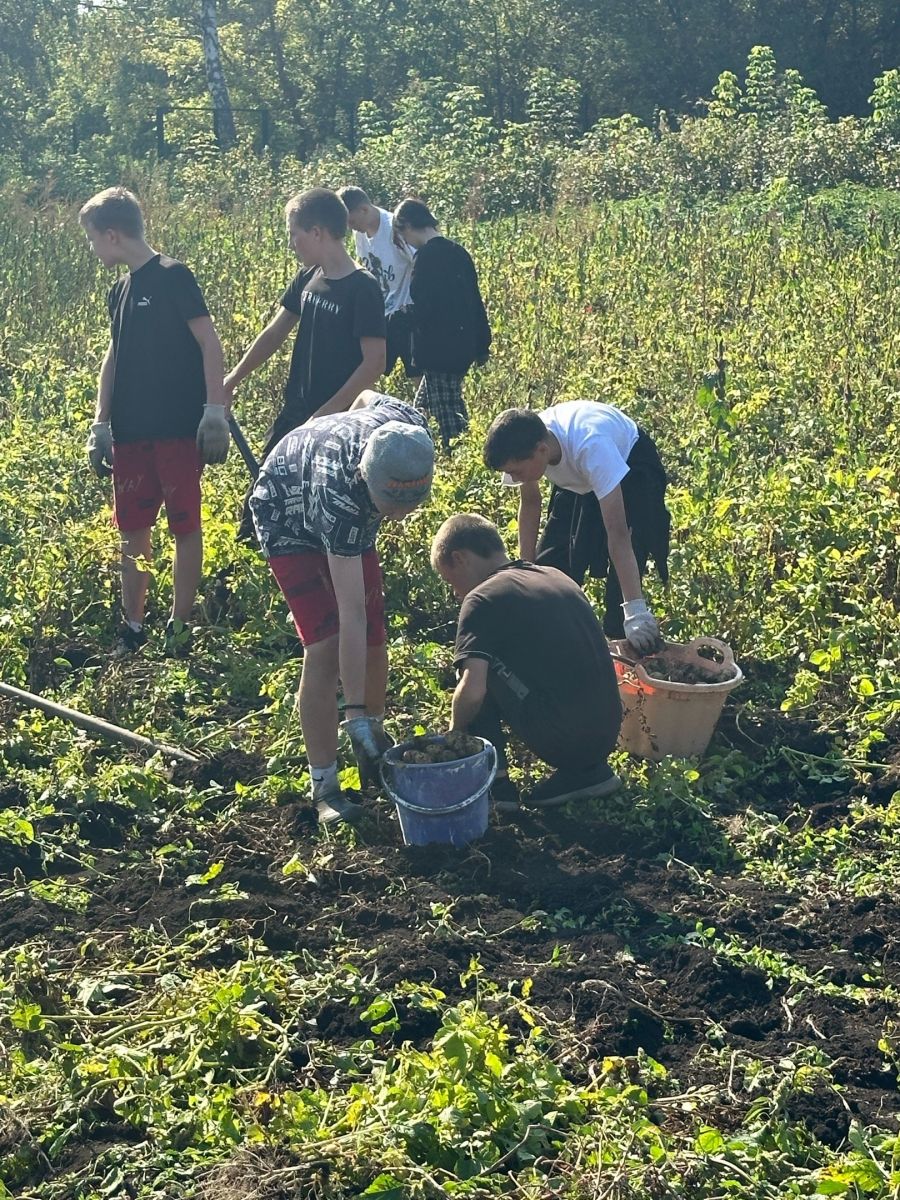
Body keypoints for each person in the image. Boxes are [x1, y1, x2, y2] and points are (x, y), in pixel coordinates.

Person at [249, 390, 434, 825]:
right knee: (326, 642)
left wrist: (333, 426)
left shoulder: (408, 430)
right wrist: (353, 714)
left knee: (375, 633)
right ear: (366, 479)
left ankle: (373, 751)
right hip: (285, 513)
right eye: (392, 507)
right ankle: (325, 787)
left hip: (330, 487)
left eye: (410, 506)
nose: (399, 517)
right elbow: (350, 614)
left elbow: (367, 395)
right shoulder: (343, 498)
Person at [80, 186, 230, 657]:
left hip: (177, 430)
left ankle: (179, 628)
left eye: (92, 238)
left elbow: (209, 341)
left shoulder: (172, 275)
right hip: (131, 433)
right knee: (132, 529)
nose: (92, 247)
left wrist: (214, 411)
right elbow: (113, 356)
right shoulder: (119, 290)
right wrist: (100, 423)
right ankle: (133, 627)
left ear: (112, 234)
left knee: (184, 527)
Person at [430, 514, 623, 809]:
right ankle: (588, 773)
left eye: (450, 581)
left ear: (459, 558)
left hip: (565, 741)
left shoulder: (481, 598)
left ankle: (496, 785)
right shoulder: (556, 576)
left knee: (478, 666)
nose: (456, 593)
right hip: (608, 733)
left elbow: (473, 691)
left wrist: (454, 735)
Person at [225, 188, 387, 536]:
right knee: (260, 503)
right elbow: (274, 333)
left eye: (294, 235)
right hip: (295, 413)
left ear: (317, 232)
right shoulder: (307, 277)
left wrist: (326, 413)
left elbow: (374, 363)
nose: (292, 244)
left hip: (338, 426)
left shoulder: (363, 287)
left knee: (320, 513)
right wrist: (232, 379)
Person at [482, 402, 670, 654]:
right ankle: (559, 645)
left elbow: (618, 534)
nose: (514, 478)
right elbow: (530, 503)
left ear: (541, 450)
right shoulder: (524, 442)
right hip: (577, 476)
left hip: (631, 465)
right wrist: (526, 571)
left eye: (516, 472)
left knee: (621, 589)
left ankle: (627, 649)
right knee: (549, 569)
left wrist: (635, 611)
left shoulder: (593, 449)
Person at [391, 198, 491, 451]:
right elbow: (474, 301)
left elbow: (425, 307)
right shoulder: (458, 252)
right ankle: (418, 451)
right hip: (463, 346)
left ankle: (462, 456)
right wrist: (482, 344)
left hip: (438, 351)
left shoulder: (425, 258)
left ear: (407, 226)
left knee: (450, 419)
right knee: (421, 409)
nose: (406, 241)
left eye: (402, 235)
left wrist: (397, 320)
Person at [337, 187, 416, 380]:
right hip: (380, 313)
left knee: (417, 374)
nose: (350, 227)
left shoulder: (394, 230)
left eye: (352, 222)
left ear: (364, 209)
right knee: (365, 370)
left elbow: (422, 263)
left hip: (407, 313)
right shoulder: (360, 233)